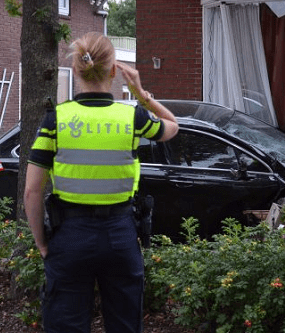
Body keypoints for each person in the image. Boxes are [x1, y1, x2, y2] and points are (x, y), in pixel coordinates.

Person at [24, 31, 179, 333]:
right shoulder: (132, 117)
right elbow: (173, 127)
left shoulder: (55, 120)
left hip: (69, 235)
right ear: (112, 71)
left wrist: (43, 243)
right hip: (120, 235)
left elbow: (31, 191)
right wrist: (141, 93)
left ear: (79, 69)